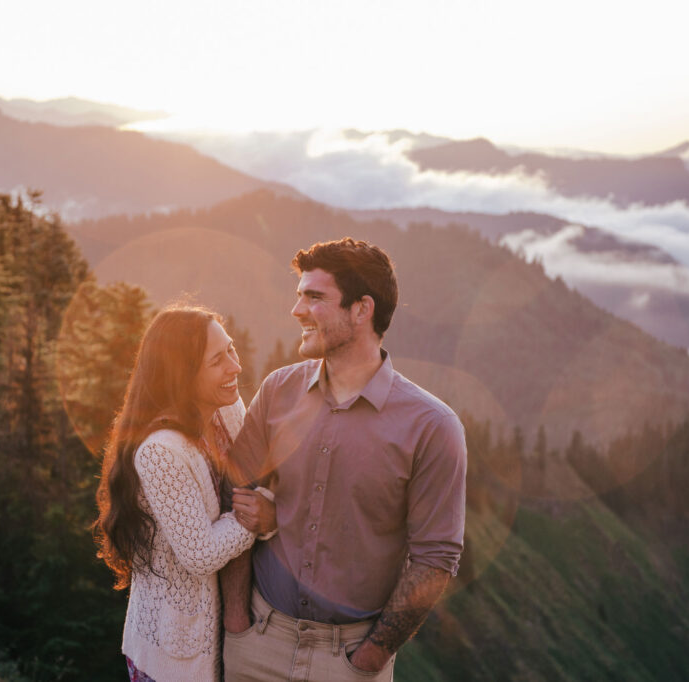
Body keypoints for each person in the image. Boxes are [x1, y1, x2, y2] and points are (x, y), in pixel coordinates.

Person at [220, 238, 467, 681]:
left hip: (350, 663)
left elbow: (435, 558)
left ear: (361, 310)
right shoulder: (279, 390)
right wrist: (237, 622)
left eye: (314, 297)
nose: (297, 310)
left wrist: (369, 659)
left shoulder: (432, 426)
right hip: (258, 643)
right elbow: (234, 489)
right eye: (299, 295)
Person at [93, 305, 276, 682]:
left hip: (231, 634)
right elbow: (201, 553)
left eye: (232, 350)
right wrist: (259, 519)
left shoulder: (226, 412)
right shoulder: (161, 451)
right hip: (172, 653)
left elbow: (253, 479)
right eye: (217, 360)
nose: (235, 367)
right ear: (182, 374)